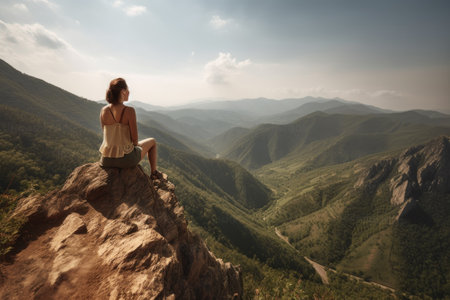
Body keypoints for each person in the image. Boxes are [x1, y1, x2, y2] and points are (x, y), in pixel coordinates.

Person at [99, 78, 160, 179]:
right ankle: (154, 174)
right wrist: (134, 146)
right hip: (126, 159)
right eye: (127, 89)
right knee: (152, 141)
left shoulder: (103, 110)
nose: (129, 92)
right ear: (123, 91)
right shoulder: (129, 111)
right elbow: (135, 140)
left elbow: (107, 137)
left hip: (106, 160)